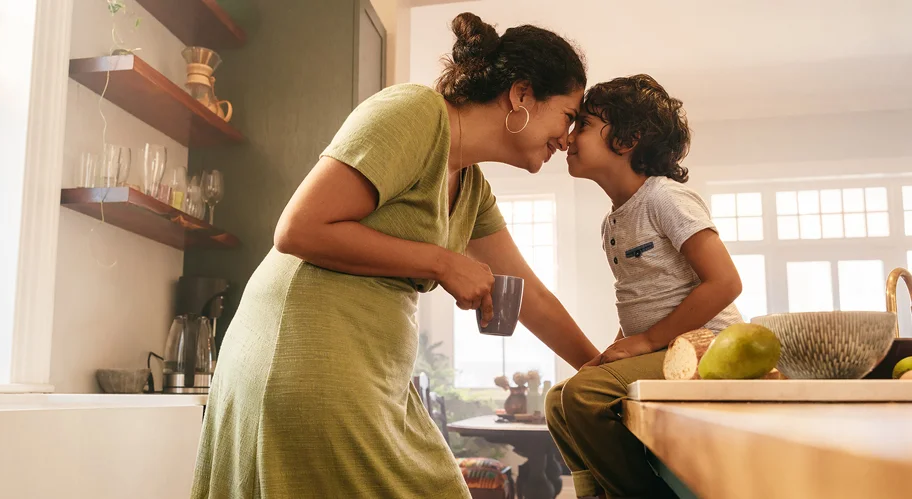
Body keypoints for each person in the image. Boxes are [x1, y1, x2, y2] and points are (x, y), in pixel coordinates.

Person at [191, 13, 599, 499]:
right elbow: (298, 228)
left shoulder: (472, 188)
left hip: (374, 374)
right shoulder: (415, 113)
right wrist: (444, 262)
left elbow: (531, 296)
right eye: (568, 116)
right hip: (304, 355)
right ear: (522, 94)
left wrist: (602, 371)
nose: (568, 138)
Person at [545, 75, 743, 499]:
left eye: (583, 124)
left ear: (627, 139)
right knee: (559, 399)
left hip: (707, 347)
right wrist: (615, 350)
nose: (568, 138)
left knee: (583, 395)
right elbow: (641, 301)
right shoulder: (613, 223)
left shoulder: (665, 198)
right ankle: (597, 493)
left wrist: (647, 341)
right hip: (662, 348)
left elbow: (725, 282)